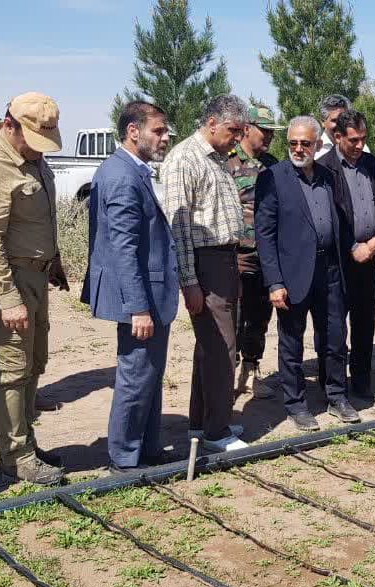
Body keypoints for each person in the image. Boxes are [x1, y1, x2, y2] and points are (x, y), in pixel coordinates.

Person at [0, 92, 68, 485]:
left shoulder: (32, 157)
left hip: (35, 277)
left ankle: (27, 443)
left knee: (33, 363)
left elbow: (40, 217)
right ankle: (15, 457)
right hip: (6, 281)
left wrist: (54, 261)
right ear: (9, 125)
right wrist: (8, 299)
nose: (40, 149)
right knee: (11, 369)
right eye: (33, 139)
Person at [81, 101, 177, 473]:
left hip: (149, 293)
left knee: (148, 374)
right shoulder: (121, 175)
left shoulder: (131, 169)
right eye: (159, 130)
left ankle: (147, 450)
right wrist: (138, 307)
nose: (165, 137)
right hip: (140, 296)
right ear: (133, 131)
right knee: (136, 376)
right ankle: (124, 459)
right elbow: (123, 247)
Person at [255, 116, 359, 431]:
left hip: (330, 272)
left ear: (317, 144)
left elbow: (341, 220)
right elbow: (264, 234)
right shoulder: (273, 177)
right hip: (292, 275)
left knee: (335, 338)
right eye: (293, 143)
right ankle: (296, 405)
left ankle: (336, 396)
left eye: (305, 143)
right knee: (291, 344)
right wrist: (274, 282)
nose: (298, 149)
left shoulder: (328, 176)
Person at [161, 94, 249, 454]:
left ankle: (202, 423)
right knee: (221, 348)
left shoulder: (217, 158)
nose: (238, 138)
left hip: (223, 259)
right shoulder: (185, 158)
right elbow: (179, 226)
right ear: (212, 123)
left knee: (211, 346)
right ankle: (217, 431)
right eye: (233, 130)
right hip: (204, 261)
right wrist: (190, 281)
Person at [317, 109, 375, 402]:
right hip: (338, 261)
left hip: (369, 257)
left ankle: (361, 383)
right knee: (333, 328)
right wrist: (352, 247)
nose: (360, 145)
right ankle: (331, 386)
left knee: (364, 324)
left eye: (363, 138)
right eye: (353, 140)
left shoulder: (371, 163)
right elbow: (329, 215)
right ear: (337, 137)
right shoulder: (324, 168)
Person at [227, 105, 284, 400]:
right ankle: (228, 373)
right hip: (237, 256)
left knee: (260, 315)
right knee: (234, 318)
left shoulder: (273, 165)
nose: (270, 136)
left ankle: (251, 369)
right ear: (247, 128)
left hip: (266, 256)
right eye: (265, 131)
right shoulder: (228, 162)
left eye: (273, 132)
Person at [314, 94, 370, 160]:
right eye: (335, 120)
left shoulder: (362, 148)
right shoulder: (315, 151)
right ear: (323, 122)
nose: (340, 124)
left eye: (344, 119)